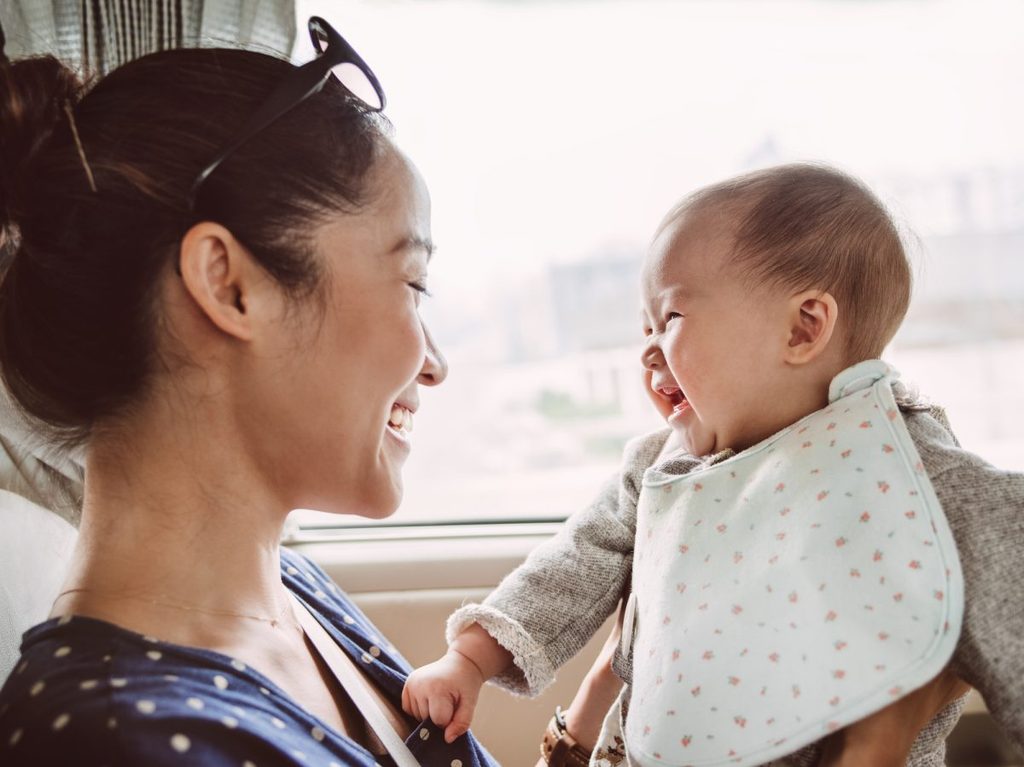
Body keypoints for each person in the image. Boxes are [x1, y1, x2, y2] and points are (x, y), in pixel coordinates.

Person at [0, 16, 500, 766]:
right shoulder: (115, 741)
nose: (434, 364)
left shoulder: (291, 591)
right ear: (230, 286)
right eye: (411, 281)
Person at [404, 164, 1024, 766]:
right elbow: (572, 564)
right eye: (643, 325)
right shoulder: (659, 469)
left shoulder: (905, 470)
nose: (647, 348)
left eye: (670, 317)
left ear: (804, 328)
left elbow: (1007, 560)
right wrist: (471, 660)